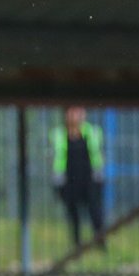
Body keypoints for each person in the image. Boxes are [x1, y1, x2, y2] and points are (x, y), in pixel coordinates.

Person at [52, 105, 105, 248]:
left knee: (96, 212)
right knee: (73, 213)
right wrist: (58, 182)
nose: (76, 115)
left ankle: (100, 242)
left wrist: (99, 178)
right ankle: (76, 245)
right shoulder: (59, 134)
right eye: (72, 111)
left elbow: (97, 157)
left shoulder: (92, 132)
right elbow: (58, 160)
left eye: (79, 111)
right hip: (69, 179)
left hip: (90, 178)